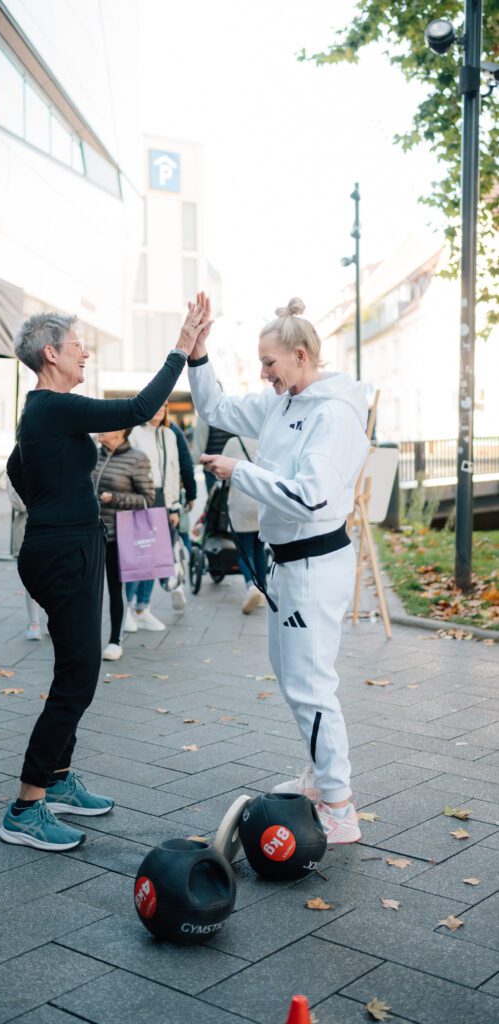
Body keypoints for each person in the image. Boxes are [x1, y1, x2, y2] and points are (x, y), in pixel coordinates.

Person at [0, 301, 209, 852]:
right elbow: (142, 405)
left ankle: (60, 779)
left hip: (72, 543)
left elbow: (15, 468)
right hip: (63, 550)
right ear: (52, 354)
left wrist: (52, 508)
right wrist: (181, 349)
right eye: (77, 345)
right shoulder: (52, 406)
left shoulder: (46, 412)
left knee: (78, 669)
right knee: (78, 678)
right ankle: (26, 807)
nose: (85, 351)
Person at [190, 292, 368, 844]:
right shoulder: (281, 403)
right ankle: (320, 777)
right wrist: (198, 355)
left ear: (300, 354)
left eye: (269, 362)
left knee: (311, 683)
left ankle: (340, 806)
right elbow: (215, 408)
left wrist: (240, 472)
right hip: (285, 566)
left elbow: (313, 496)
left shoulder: (333, 414)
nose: (263, 373)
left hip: (314, 564)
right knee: (294, 679)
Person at [93, 428, 155, 660]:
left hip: (117, 535)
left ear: (121, 432)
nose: (100, 429)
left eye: (106, 426)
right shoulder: (93, 454)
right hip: (89, 533)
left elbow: (147, 498)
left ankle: (115, 640)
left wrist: (115, 498)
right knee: (87, 589)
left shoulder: (137, 458)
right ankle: (86, 639)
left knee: (114, 588)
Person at [127, 402, 185, 628]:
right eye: (156, 404)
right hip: (142, 498)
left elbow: (175, 471)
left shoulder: (170, 435)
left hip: (163, 498)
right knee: (139, 556)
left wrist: (174, 506)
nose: (160, 408)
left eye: (164, 405)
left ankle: (143, 607)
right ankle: (127, 608)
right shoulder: (136, 434)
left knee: (156, 557)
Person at [221, 435, 267, 614]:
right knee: (259, 549)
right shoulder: (264, 438)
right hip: (262, 501)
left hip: (241, 501)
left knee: (244, 550)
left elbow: (221, 473)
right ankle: (262, 593)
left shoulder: (234, 442)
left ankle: (251, 587)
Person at [6, 477, 46, 640]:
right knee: (32, 580)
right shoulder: (15, 466)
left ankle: (53, 618)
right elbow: (19, 504)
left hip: (52, 529)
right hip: (25, 532)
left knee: (54, 578)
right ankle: (34, 622)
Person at [169, 415, 196, 554]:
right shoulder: (175, 430)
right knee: (179, 531)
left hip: (166, 495)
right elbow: (186, 464)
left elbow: (186, 465)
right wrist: (191, 496)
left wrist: (191, 494)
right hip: (172, 494)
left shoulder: (173, 431)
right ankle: (188, 559)